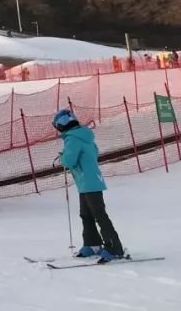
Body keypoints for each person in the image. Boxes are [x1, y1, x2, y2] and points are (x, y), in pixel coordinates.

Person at [54, 108, 124, 262]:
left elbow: (69, 161)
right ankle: (92, 244)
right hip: (88, 181)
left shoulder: (72, 139)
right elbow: (94, 153)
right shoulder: (84, 135)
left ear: (60, 125)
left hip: (88, 182)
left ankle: (114, 248)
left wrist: (62, 157)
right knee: (86, 214)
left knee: (99, 215)